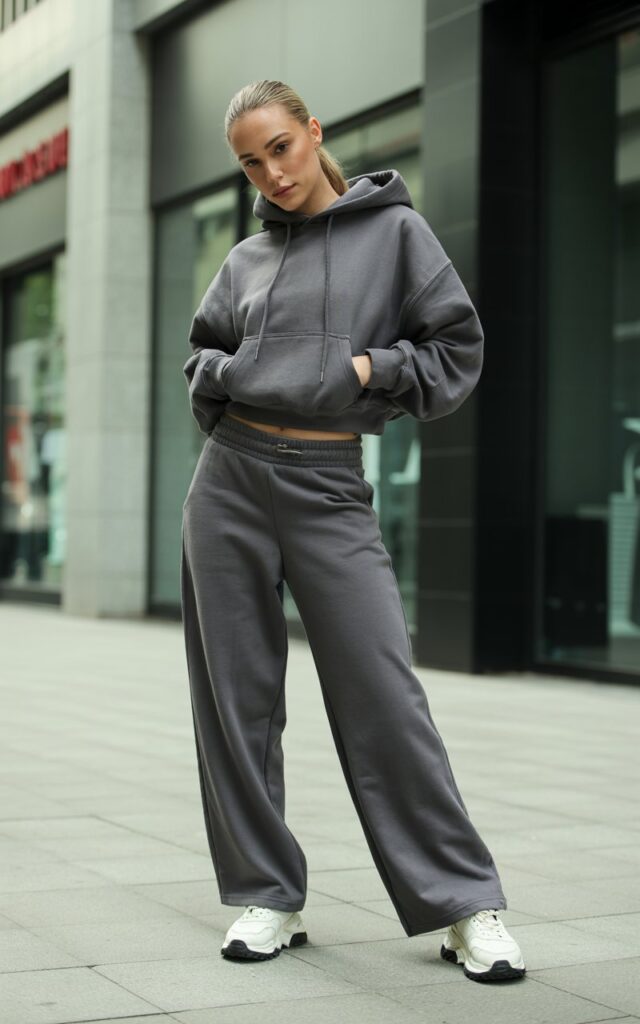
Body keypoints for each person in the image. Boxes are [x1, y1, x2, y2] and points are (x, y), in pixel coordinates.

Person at [180, 79, 526, 984]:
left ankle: (465, 904)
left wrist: (367, 365)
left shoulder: (397, 234)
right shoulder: (248, 255)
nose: (271, 172)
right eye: (251, 161)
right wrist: (233, 372)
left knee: (383, 693)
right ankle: (268, 894)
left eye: (281, 147)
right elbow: (203, 351)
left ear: (312, 131)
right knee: (236, 699)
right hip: (230, 481)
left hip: (329, 483)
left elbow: (458, 349)